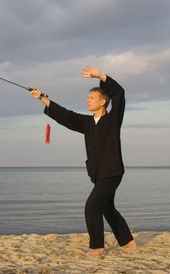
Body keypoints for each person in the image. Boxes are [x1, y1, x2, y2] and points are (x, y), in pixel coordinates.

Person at [31, 66, 136, 257]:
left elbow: (119, 93)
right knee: (107, 207)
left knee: (92, 206)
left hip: (112, 173)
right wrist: (42, 98)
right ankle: (127, 241)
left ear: (103, 102)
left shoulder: (113, 120)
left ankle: (97, 248)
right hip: (98, 174)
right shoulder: (87, 123)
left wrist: (101, 76)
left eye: (91, 98)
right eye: (87, 98)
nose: (87, 100)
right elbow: (65, 116)